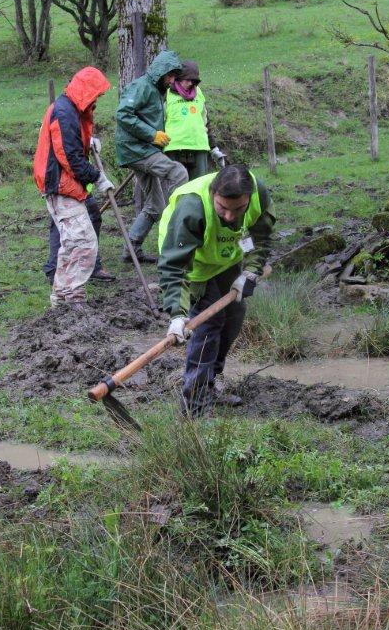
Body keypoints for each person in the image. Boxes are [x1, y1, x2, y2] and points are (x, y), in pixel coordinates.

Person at [157, 164, 275, 416]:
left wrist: (250, 272)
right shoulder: (192, 208)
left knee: (234, 316)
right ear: (213, 194)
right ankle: (195, 405)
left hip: (227, 259)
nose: (230, 217)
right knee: (209, 325)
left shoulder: (259, 193)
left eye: (238, 209)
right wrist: (177, 314)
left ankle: (210, 382)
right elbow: (174, 265)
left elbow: (261, 237)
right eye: (222, 208)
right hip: (193, 263)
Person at [34, 66, 113, 308]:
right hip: (60, 185)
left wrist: (87, 141)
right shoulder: (65, 112)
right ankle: (74, 296)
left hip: (63, 184)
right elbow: (69, 157)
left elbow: (71, 142)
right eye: (96, 96)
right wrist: (97, 177)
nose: (97, 100)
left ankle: (61, 298)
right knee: (84, 242)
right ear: (86, 92)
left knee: (70, 243)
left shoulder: (70, 109)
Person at [115, 50, 189, 263]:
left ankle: (132, 248)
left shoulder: (156, 90)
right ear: (160, 72)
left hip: (143, 149)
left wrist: (157, 137)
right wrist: (152, 135)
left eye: (175, 76)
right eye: (170, 76)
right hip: (136, 149)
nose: (172, 80)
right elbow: (123, 114)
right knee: (178, 172)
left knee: (155, 204)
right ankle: (180, 227)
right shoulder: (142, 87)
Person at [164, 60, 226, 179]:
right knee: (176, 188)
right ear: (179, 78)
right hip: (174, 148)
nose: (190, 83)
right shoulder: (167, 94)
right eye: (187, 80)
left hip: (199, 147)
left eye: (194, 81)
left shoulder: (199, 93)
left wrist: (214, 148)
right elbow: (160, 121)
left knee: (198, 187)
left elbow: (205, 122)